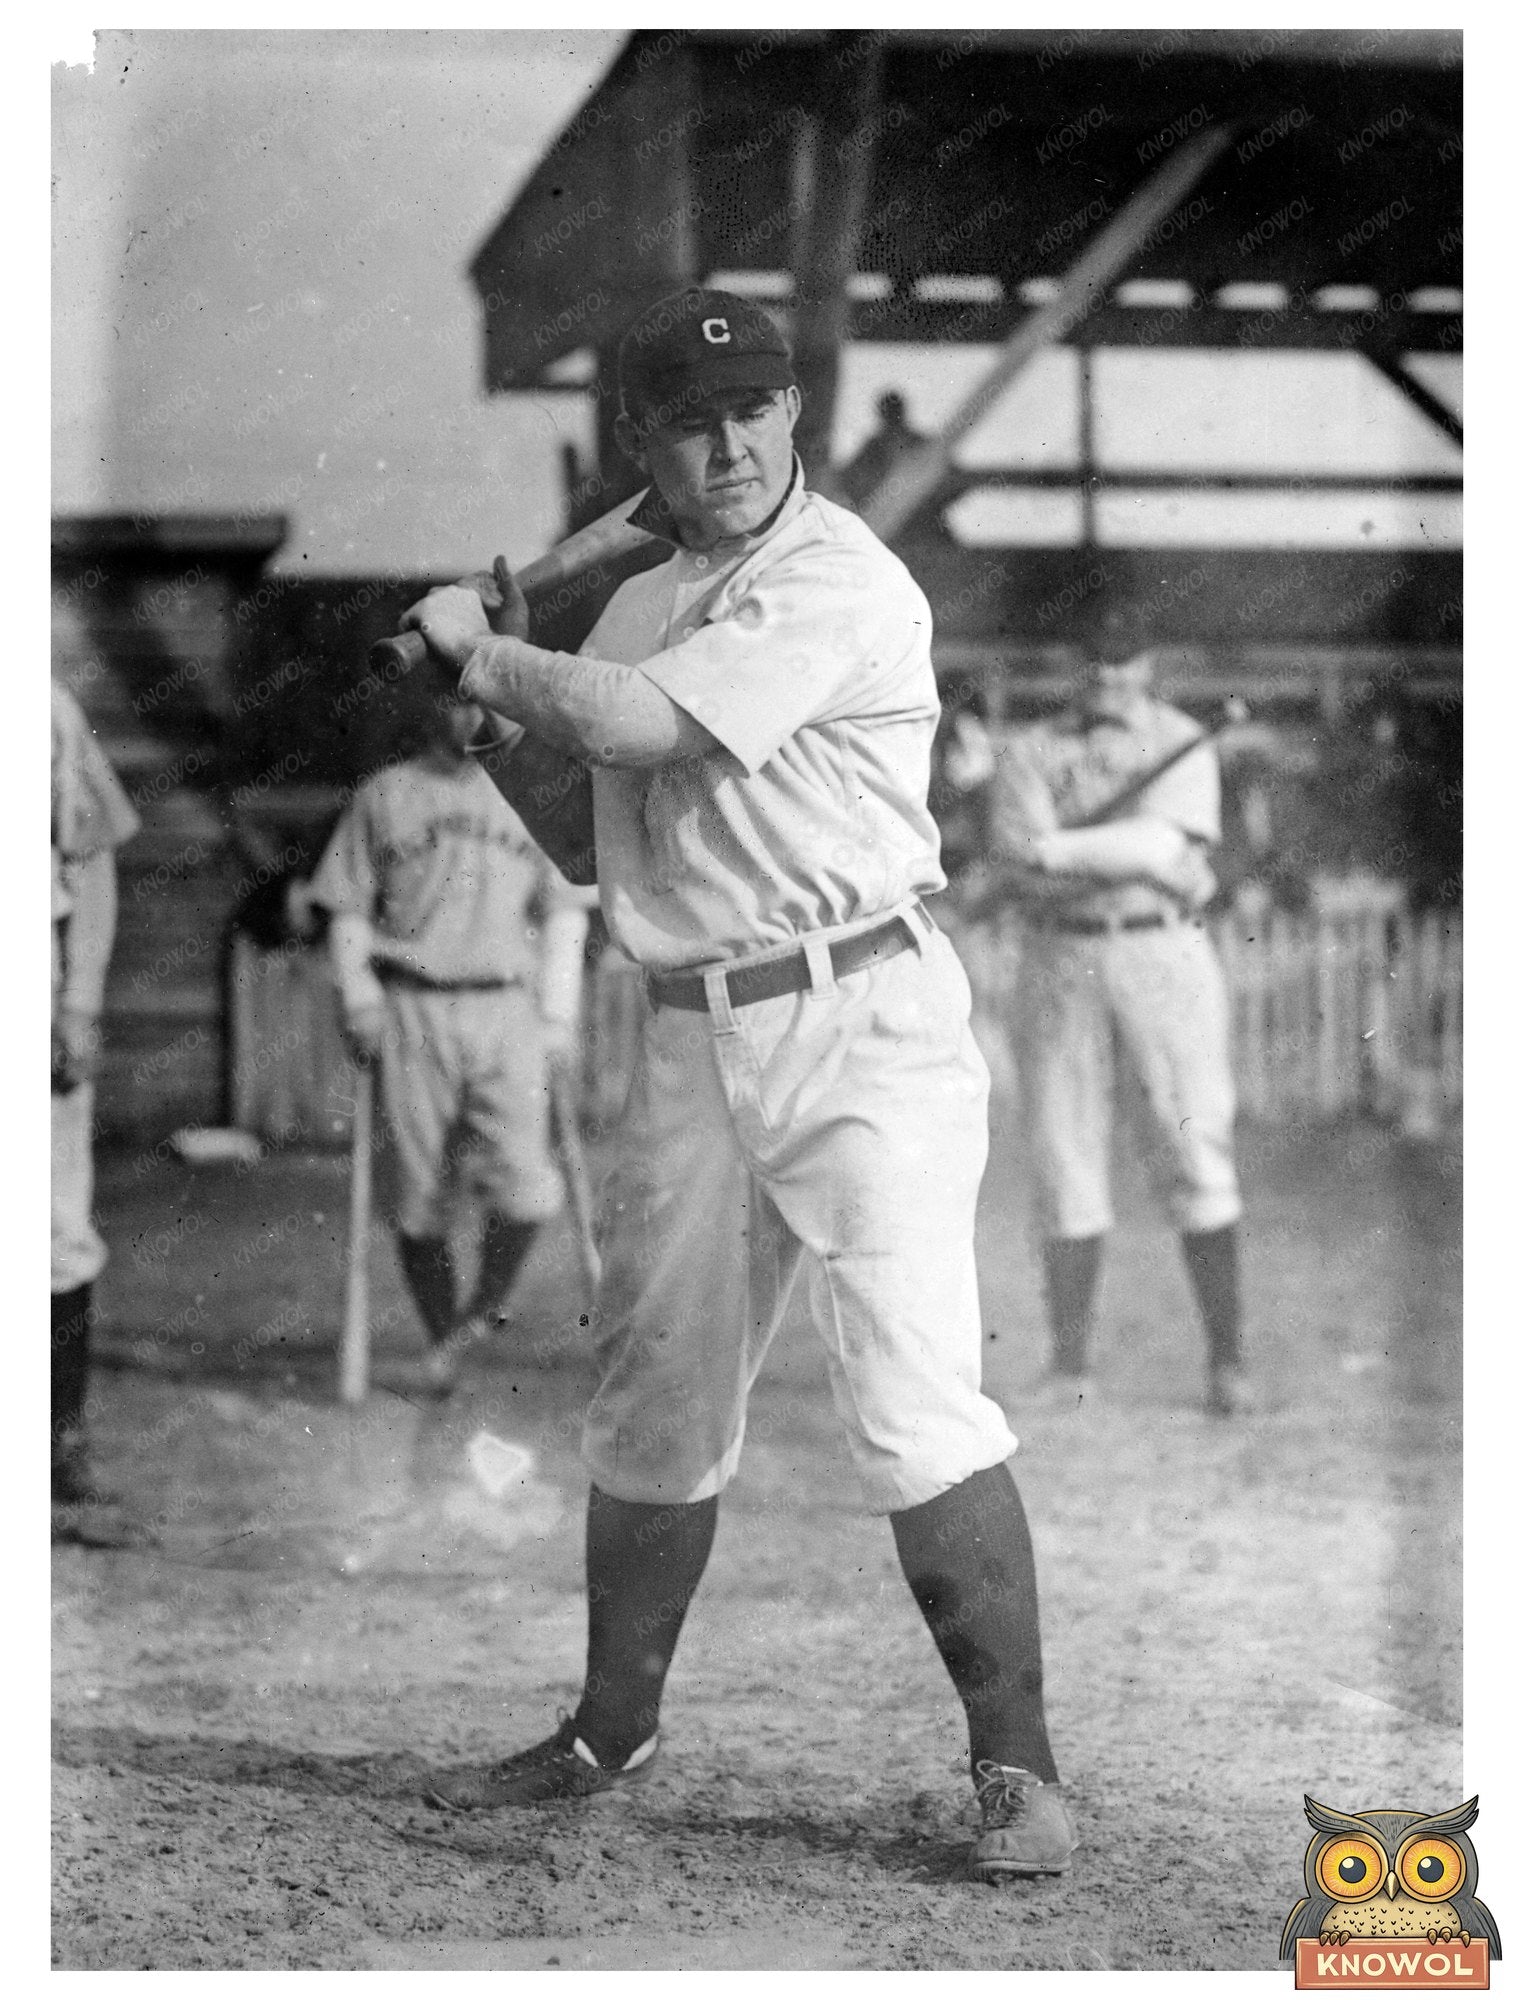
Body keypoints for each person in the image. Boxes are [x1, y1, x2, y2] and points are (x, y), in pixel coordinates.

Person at [399, 286, 1075, 1882]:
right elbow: (595, 837)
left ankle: (1019, 1770)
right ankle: (605, 1730)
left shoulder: (836, 574)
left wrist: (483, 649)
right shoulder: (636, 606)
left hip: (863, 1022)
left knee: (912, 1396)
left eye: (751, 409)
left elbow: (635, 722)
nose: (724, 440)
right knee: (650, 1408)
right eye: (688, 418)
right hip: (687, 1032)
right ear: (640, 436)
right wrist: (492, 729)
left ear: (791, 421)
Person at [982, 604, 1248, 1418]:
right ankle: (1069, 1366)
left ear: (1150, 663)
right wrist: (1124, 856)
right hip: (1060, 955)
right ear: (1074, 665)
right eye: (1094, 660)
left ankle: (1228, 1364)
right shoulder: (1031, 749)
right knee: (1062, 1150)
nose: (1109, 676)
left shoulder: (1181, 740)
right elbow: (1017, 864)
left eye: (1124, 659)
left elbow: (1169, 851)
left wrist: (1062, 850)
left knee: (1192, 1146)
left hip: (1159, 953)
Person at [309, 674, 591, 1388]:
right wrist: (360, 998)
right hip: (414, 1007)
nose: (467, 715)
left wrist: (558, 1016)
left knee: (528, 1187)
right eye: (451, 699)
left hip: (508, 1008)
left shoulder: (530, 792)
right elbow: (345, 907)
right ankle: (442, 1340)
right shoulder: (385, 795)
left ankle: (479, 1313)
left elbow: (563, 913)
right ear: (426, 706)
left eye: (479, 700)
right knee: (417, 1193)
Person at [52, 656, 141, 1535]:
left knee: (51, 1230)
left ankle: (56, 1447)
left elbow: (93, 862)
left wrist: (79, 1001)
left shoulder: (43, 711)